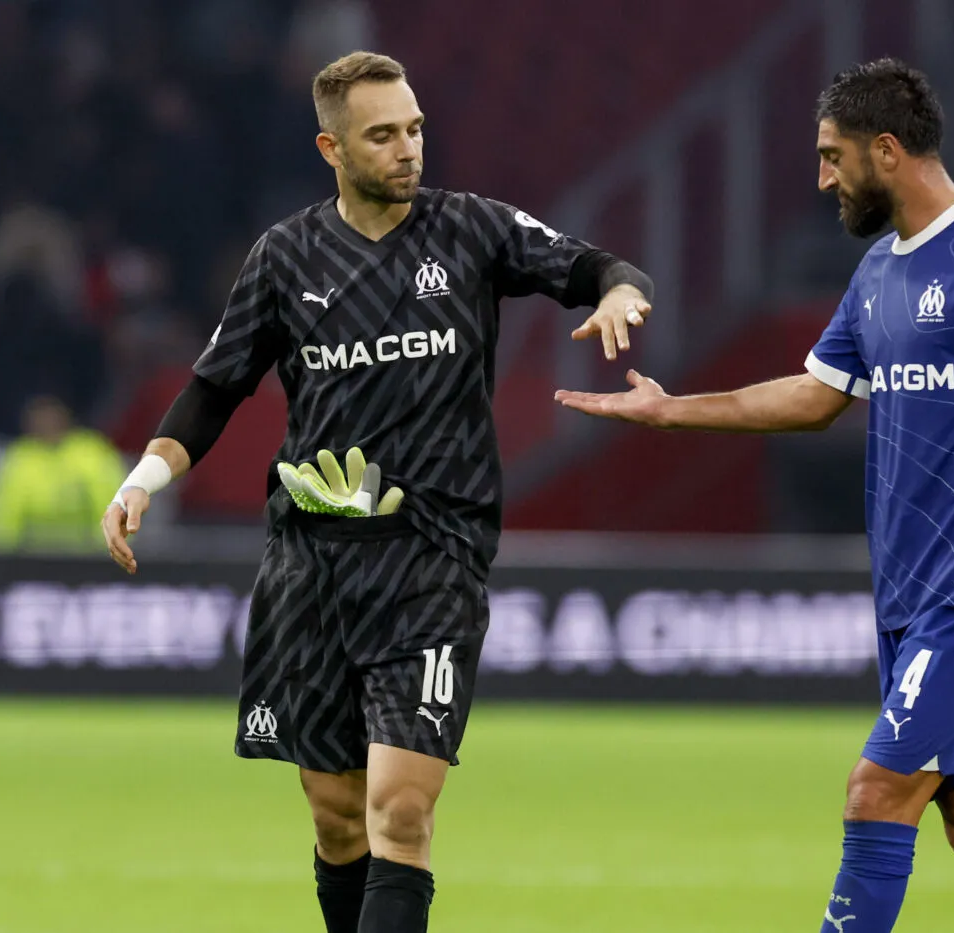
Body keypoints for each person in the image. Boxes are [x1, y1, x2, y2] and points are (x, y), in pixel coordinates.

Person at [100, 51, 652, 933]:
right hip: (310, 566)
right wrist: (143, 480)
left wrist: (622, 293)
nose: (408, 150)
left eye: (416, 130)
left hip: (432, 561)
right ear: (332, 147)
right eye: (383, 135)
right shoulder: (285, 256)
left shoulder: (470, 229)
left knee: (401, 810)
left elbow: (599, 265)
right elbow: (214, 388)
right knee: (336, 818)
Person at [555, 58, 954, 933]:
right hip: (908, 595)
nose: (821, 177)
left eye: (831, 155)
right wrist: (670, 412)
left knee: (875, 792)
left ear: (885, 150)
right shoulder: (879, 272)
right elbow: (815, 396)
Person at [0, 395, 124, 553]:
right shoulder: (18, 459)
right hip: (31, 561)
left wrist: (109, 556)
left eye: (51, 416)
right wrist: (5, 561)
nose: (46, 423)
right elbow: (1, 524)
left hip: (88, 558)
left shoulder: (92, 453)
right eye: (40, 418)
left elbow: (115, 509)